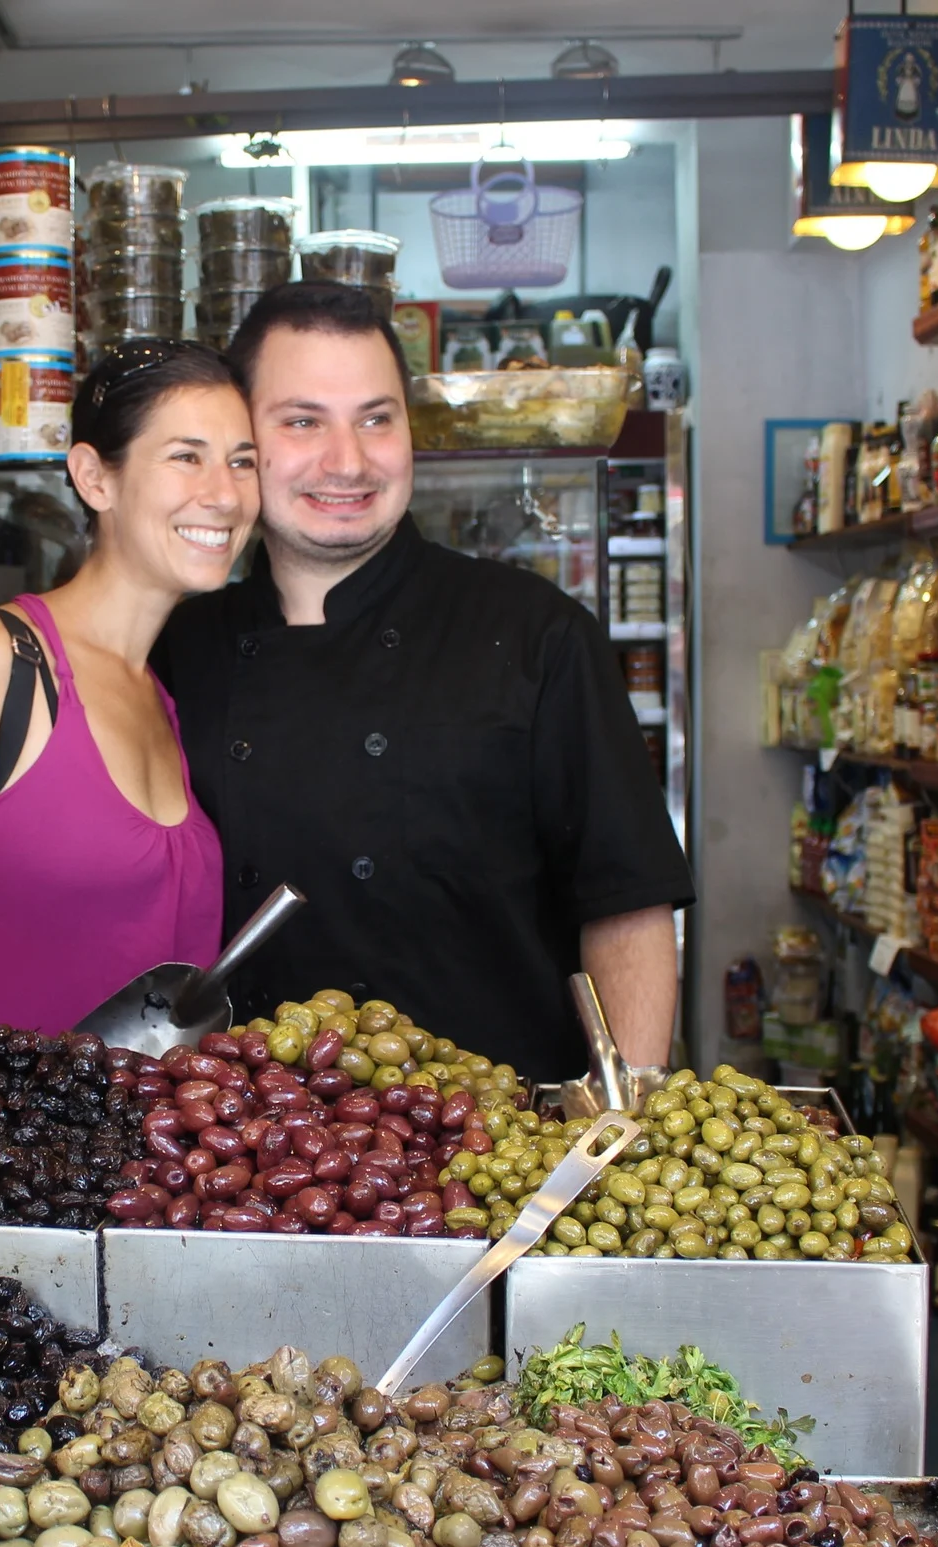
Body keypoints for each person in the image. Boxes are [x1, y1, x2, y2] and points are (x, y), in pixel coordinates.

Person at [153, 283, 694, 1082]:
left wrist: (623, 1129)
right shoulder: (177, 650)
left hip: (499, 1164)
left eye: (377, 418)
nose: (349, 461)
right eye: (304, 421)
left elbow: (626, 910)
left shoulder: (537, 637)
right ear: (244, 441)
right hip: (249, 1160)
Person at [0, 340, 257, 1039]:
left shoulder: (163, 694)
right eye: (187, 455)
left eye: (242, 461)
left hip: (143, 1146)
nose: (224, 492)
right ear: (96, 478)